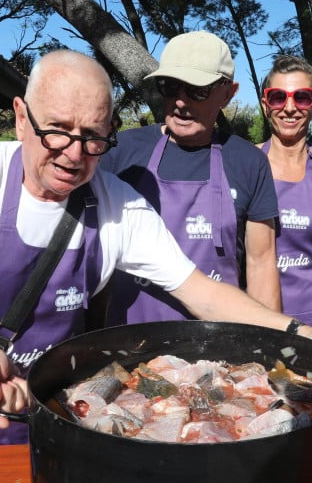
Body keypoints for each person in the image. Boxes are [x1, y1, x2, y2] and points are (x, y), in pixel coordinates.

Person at [0, 50, 312, 447]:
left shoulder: (115, 202)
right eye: (57, 130)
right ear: (22, 118)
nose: (73, 153)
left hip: (63, 415)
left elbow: (201, 291)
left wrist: (305, 332)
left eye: (92, 137)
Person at [101, 31, 281, 324]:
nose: (181, 102)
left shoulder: (250, 162)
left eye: (197, 90)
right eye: (170, 87)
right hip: (131, 343)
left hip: (218, 347)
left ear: (228, 93)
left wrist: (272, 347)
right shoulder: (121, 153)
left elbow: (261, 265)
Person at [258, 55, 312, 328]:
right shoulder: (246, 162)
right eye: (278, 97)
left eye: (302, 97)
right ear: (265, 105)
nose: (290, 107)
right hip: (255, 318)